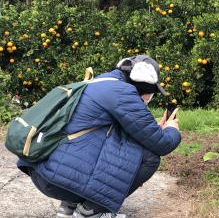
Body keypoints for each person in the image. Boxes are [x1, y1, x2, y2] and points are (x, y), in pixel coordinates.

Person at [16, 55, 181, 218]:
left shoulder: (101, 82)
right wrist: (172, 129)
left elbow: (119, 133)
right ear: (143, 84)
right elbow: (163, 144)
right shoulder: (123, 93)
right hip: (57, 180)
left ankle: (68, 207)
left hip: (43, 171)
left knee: (91, 144)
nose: (149, 98)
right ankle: (91, 210)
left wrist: (154, 130)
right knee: (149, 158)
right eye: (151, 93)